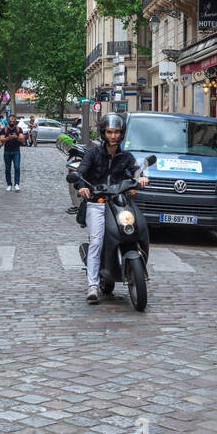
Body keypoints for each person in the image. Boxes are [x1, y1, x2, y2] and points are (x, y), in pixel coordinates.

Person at [74, 114, 145, 304]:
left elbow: (136, 169)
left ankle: (134, 265)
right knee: (97, 240)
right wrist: (82, 185)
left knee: (134, 226)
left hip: (118, 201)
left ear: (121, 134)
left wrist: (141, 177)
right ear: (104, 133)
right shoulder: (93, 153)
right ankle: (93, 286)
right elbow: (81, 172)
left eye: (117, 132)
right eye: (110, 132)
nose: (113, 136)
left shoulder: (126, 156)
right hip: (96, 202)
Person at [1, 116, 25, 191]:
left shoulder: (18, 129)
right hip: (7, 151)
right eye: (10, 121)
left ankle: (17, 184)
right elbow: (1, 139)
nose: (12, 122)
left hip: (16, 151)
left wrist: (16, 137)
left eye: (13, 121)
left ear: (15, 121)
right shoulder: (4, 129)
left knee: (17, 167)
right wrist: (8, 138)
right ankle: (9, 184)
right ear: (7, 121)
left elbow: (22, 139)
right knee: (7, 168)